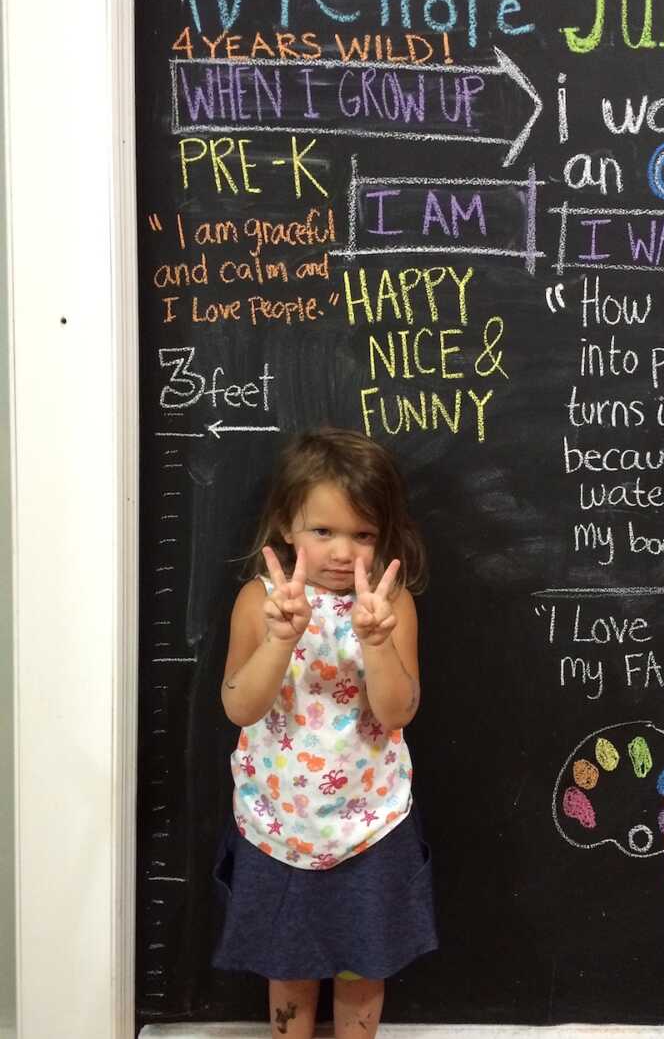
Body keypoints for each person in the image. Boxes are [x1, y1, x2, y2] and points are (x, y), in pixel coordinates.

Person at [213, 429, 437, 1038]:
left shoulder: (393, 609)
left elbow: (396, 712)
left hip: (369, 823)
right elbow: (239, 706)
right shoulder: (259, 602)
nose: (343, 552)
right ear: (287, 526)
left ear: (383, 536)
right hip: (278, 821)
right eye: (324, 532)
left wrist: (376, 641)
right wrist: (281, 639)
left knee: (361, 966)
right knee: (288, 966)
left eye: (363, 535)